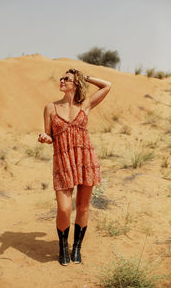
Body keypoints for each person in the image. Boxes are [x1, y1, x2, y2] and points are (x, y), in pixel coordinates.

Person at [38, 68, 112, 266]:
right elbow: (49, 136)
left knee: (82, 207)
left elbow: (107, 85)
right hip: (63, 162)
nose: (62, 80)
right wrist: (45, 138)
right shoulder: (50, 108)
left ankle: (76, 247)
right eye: (61, 78)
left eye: (67, 79)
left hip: (85, 159)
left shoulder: (85, 105)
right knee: (64, 209)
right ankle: (63, 247)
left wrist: (84, 77)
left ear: (75, 84)